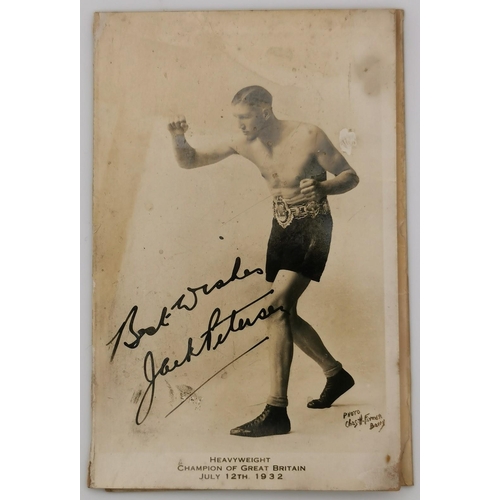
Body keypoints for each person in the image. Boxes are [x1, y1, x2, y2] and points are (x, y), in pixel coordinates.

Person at [168, 85, 359, 437]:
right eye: (236, 117)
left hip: (314, 224)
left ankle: (276, 411)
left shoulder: (308, 134)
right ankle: (335, 374)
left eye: (244, 117)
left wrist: (324, 188)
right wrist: (179, 139)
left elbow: (350, 176)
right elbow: (191, 161)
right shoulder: (245, 142)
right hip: (281, 226)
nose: (238, 124)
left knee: (275, 310)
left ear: (265, 111)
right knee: (283, 313)